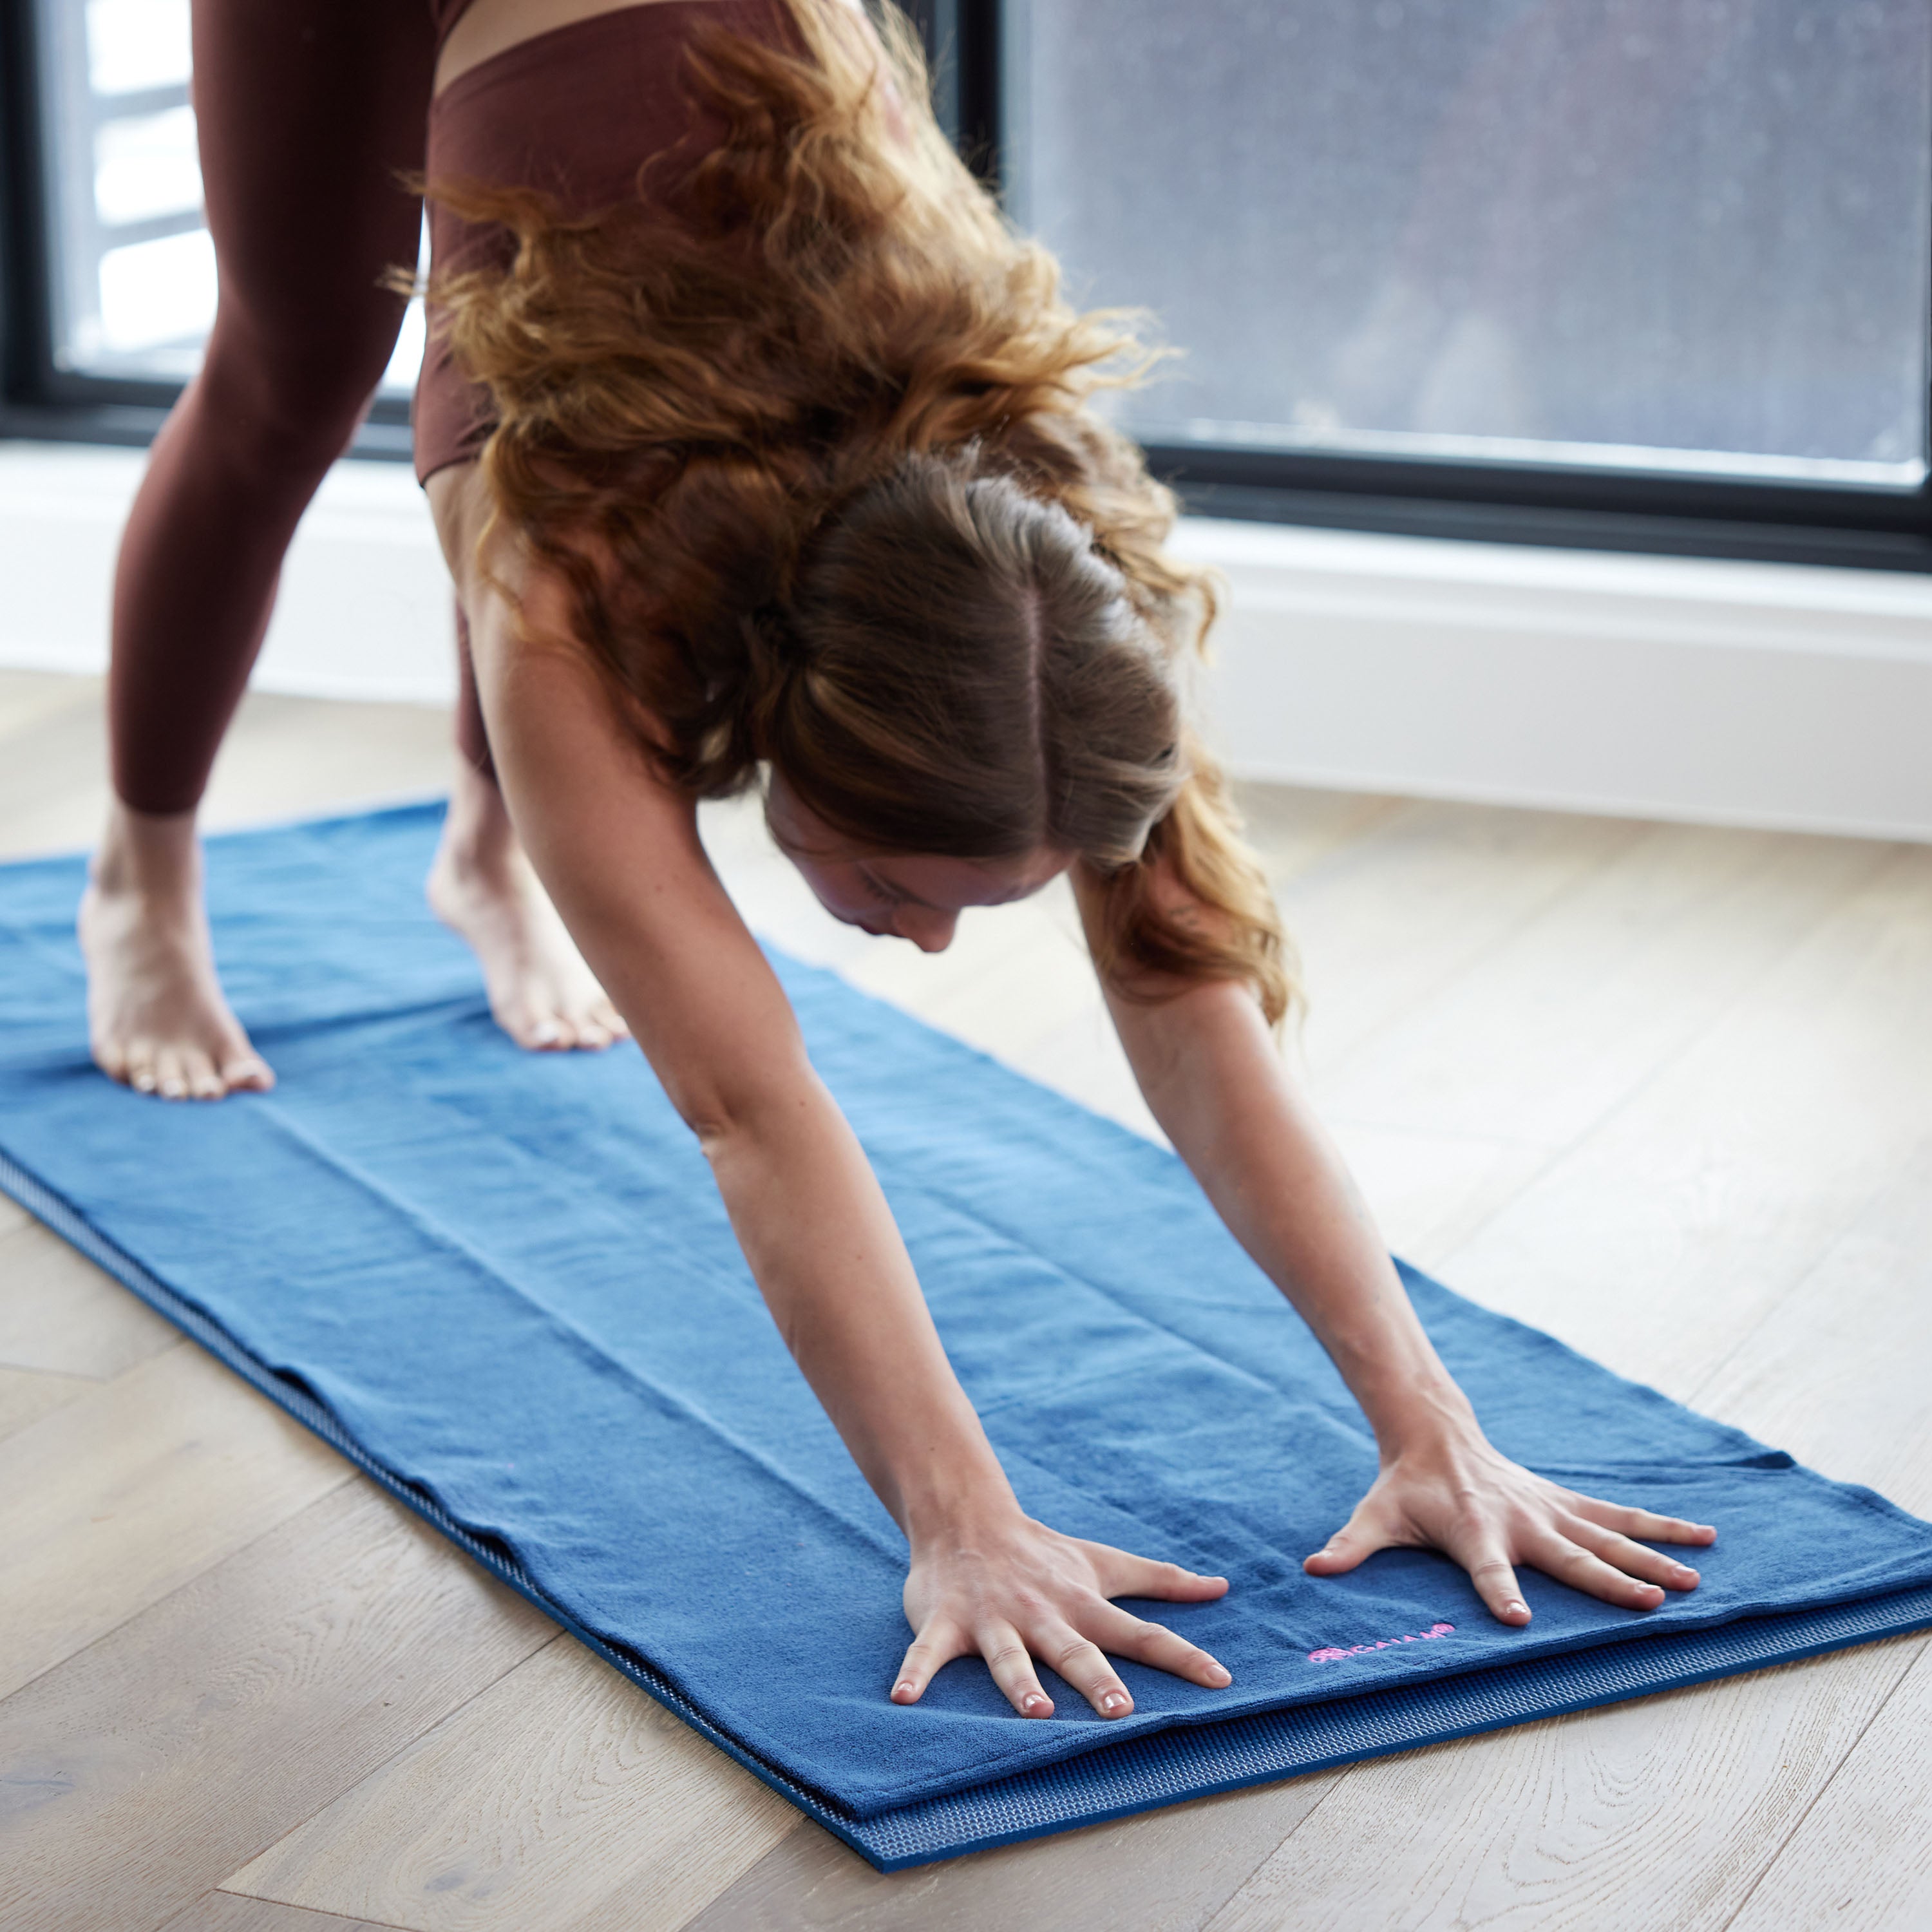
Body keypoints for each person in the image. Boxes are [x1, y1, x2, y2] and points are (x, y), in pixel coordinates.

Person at [80, 0, 1716, 1722]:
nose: (925, 946)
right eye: (897, 886)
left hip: (732, 165)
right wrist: (966, 1521)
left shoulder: (1059, 568)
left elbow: (1190, 1002)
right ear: (784, 715)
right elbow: (751, 1106)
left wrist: (1433, 1429)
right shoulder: (578, 563)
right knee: (295, 368)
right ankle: (145, 880)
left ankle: (492, 848)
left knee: (550, 663)